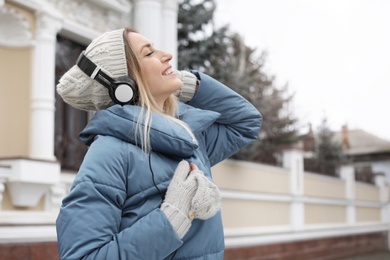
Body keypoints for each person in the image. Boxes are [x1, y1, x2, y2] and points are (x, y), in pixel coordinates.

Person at [55, 28, 262, 260]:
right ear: (123, 85)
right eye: (149, 53)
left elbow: (246, 122)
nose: (167, 55)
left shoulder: (189, 139)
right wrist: (170, 219)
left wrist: (189, 86)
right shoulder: (109, 153)